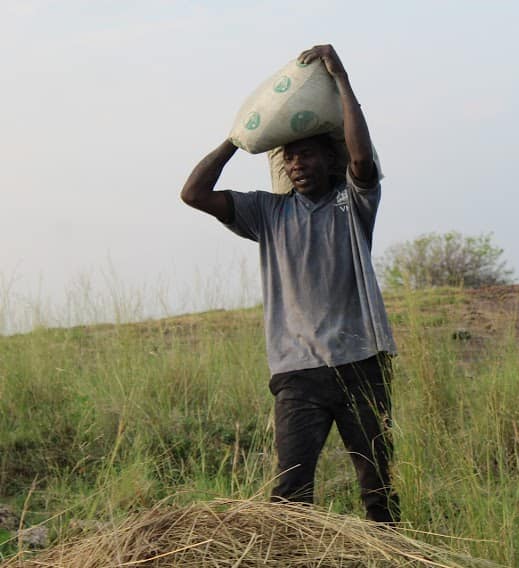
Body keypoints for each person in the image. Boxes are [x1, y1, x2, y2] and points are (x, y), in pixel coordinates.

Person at [180, 44, 399, 523]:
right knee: (290, 497)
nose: (296, 164)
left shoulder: (353, 202)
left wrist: (341, 78)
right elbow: (193, 193)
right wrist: (239, 139)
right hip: (297, 375)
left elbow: (362, 158)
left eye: (306, 154)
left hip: (362, 363)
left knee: (378, 487)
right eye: (288, 158)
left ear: (329, 160)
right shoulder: (269, 212)